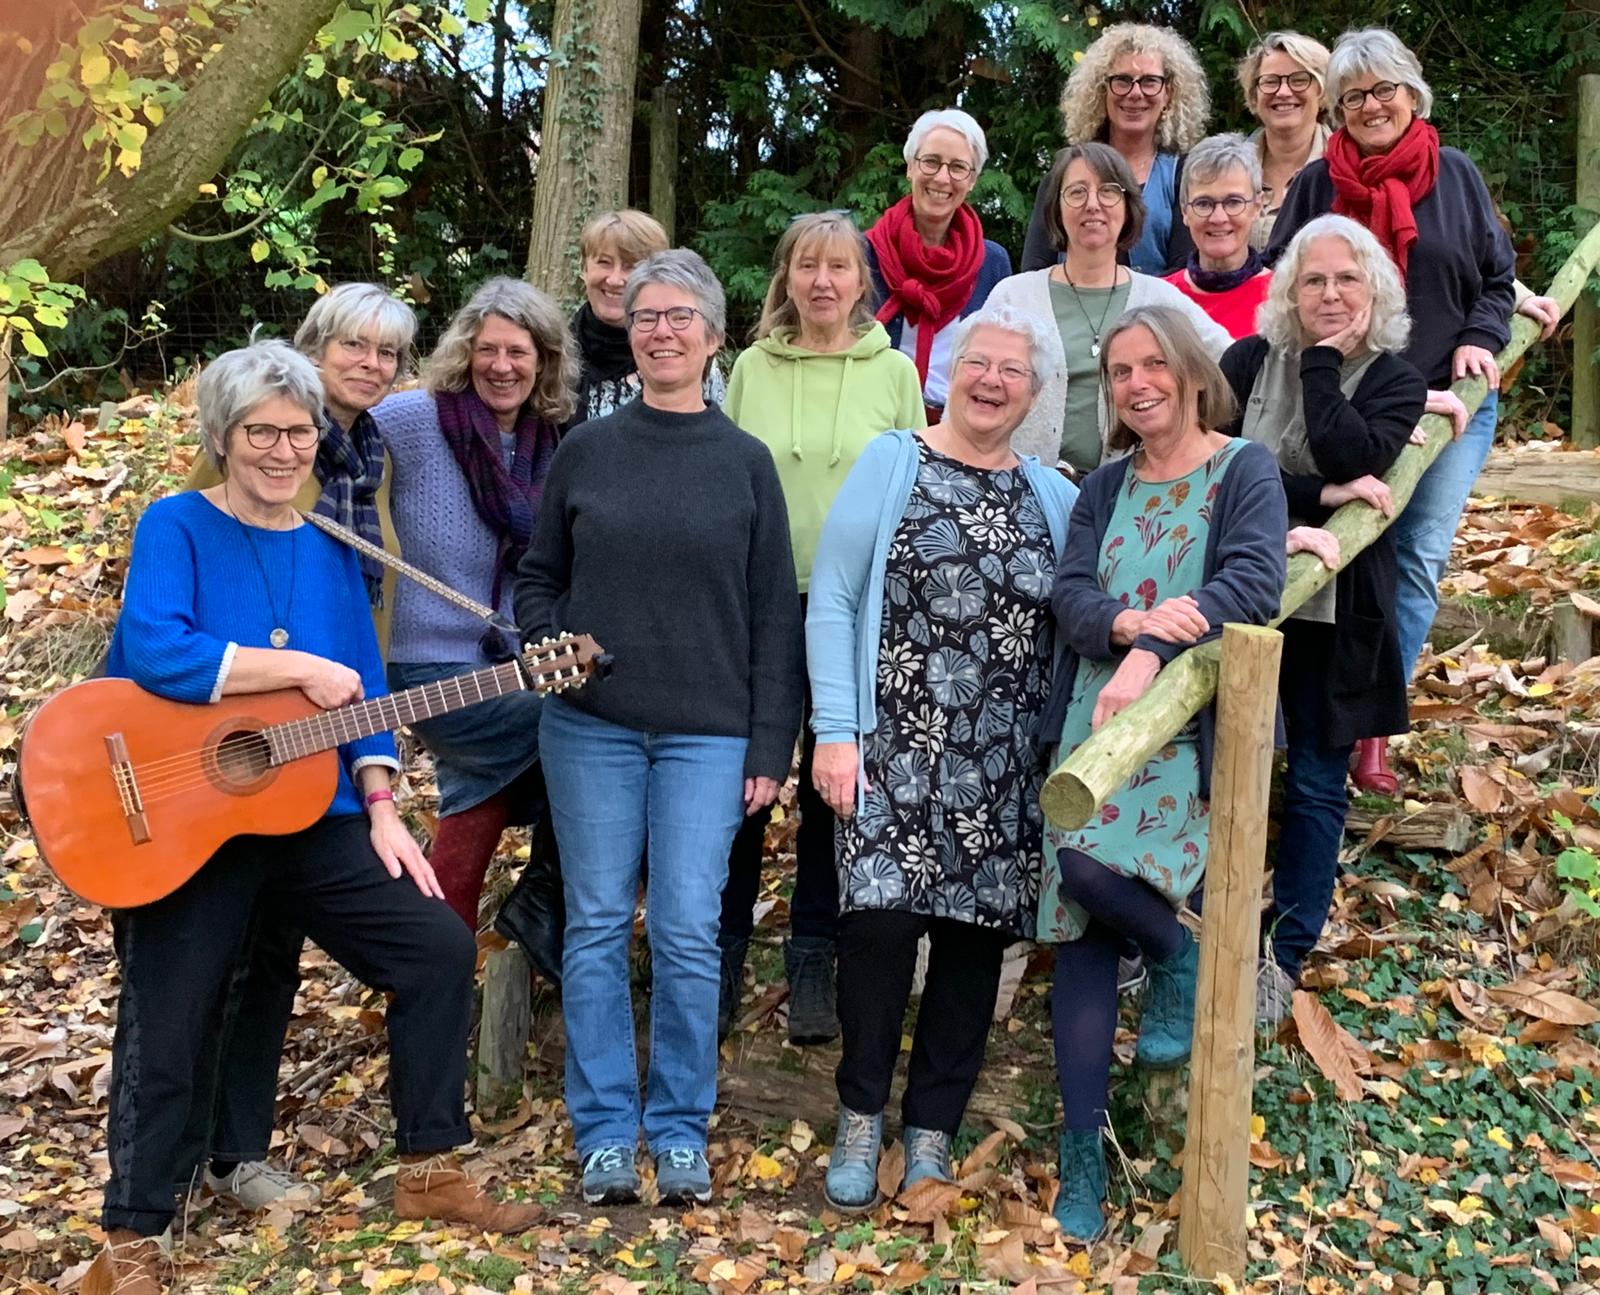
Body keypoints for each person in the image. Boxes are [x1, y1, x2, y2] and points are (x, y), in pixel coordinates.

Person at [85, 341, 539, 1295]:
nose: (284, 451)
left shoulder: (333, 546)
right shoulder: (176, 525)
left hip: (310, 812)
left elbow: (362, 686)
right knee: (170, 1012)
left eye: (299, 434)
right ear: (223, 435)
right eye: (263, 432)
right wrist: (291, 667)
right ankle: (133, 1234)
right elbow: (157, 648)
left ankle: (430, 1167)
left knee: (435, 948)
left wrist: (380, 801)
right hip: (185, 816)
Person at [515, 250, 803, 1207]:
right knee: (596, 922)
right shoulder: (586, 451)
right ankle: (605, 1129)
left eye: (682, 316)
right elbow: (538, 577)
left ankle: (679, 1125)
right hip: (589, 728)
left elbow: (775, 616)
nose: (663, 331)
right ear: (628, 333)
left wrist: (769, 745)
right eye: (647, 316)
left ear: (715, 337)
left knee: (685, 927)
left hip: (707, 736)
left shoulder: (746, 463)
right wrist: (546, 638)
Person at [806, 305, 1078, 1212]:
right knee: (878, 933)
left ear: (1034, 395)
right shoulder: (895, 461)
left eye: (1011, 371)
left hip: (1002, 764)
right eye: (977, 363)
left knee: (972, 950)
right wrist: (835, 731)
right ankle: (859, 1117)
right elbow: (834, 596)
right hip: (891, 749)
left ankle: (931, 1134)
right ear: (949, 373)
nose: (991, 381)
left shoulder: (1054, 495)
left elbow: (1100, 596)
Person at [1039, 307, 1287, 1242]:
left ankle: (1176, 959)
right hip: (1092, 721)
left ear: (1189, 372)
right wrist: (1127, 627)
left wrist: (1153, 652)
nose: (1136, 383)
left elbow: (1252, 582)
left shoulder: (1243, 470)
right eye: (1119, 371)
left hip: (1188, 737)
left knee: (1087, 874)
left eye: (1152, 365)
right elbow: (1070, 595)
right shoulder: (1104, 485)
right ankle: (1084, 1154)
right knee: (1081, 920)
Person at [1265, 26, 1558, 793]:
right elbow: (1282, 287)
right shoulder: (1317, 188)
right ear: (1337, 108)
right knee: (1348, 552)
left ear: (1412, 93)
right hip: (1346, 402)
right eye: (1354, 96)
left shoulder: (1455, 175)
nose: (1371, 106)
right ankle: (1312, 722)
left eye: (1384, 90)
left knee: (1419, 554)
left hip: (1448, 404)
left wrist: (1480, 340)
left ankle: (1372, 732)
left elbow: (1496, 278)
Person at [180, 284, 417, 1214]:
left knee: (271, 957)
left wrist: (374, 771)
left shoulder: (370, 455)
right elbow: (187, 617)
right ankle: (178, 1161)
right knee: (208, 968)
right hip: (218, 750)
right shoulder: (241, 469)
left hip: (315, 752)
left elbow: (354, 630)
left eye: (387, 352)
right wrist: (301, 673)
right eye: (352, 345)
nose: (371, 364)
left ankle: (234, 1152)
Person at [717, 212, 926, 1044]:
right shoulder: (751, 368)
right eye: (807, 265)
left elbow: (912, 485)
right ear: (787, 278)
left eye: (839, 266)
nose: (823, 281)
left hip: (856, 609)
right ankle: (721, 952)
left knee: (831, 785)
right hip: (761, 601)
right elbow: (730, 480)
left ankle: (813, 953)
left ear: (862, 281)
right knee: (747, 777)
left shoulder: (894, 371)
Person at [1221, 215, 1427, 1023]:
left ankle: (1284, 952)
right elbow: (1218, 468)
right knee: (1215, 768)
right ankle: (1196, 934)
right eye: (1314, 280)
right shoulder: (1246, 362)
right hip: (1241, 593)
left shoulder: (1396, 381)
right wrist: (1316, 496)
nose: (1331, 294)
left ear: (1375, 289)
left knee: (1312, 781)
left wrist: (1319, 364)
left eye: (1347, 279)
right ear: (1289, 291)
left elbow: (1352, 454)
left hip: (1337, 614)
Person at [371, 279, 576, 958]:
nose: (501, 366)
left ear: (544, 360)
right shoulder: (415, 420)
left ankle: (435, 961)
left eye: (518, 352)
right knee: (580, 727)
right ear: (465, 352)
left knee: (483, 788)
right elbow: (325, 434)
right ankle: (544, 899)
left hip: (507, 662)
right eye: (487, 349)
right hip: (425, 663)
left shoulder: (552, 442)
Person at [987, 142, 1233, 477]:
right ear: (1056, 209)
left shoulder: (1161, 298)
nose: (1092, 204)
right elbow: (969, 390)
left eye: (1108, 191)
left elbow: (1230, 364)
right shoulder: (1014, 297)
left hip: (1134, 493)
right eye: (1077, 192)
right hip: (1022, 488)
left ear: (1128, 206)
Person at [1022, 23, 1210, 276]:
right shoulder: (1066, 174)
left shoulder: (1185, 175)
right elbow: (1033, 273)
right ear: (1101, 91)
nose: (1135, 93)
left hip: (1159, 302)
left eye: (1150, 81)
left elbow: (1186, 270)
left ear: (1169, 94)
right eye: (1122, 80)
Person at [865, 109, 1013, 423]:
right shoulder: (864, 254)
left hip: (959, 429)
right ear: (910, 167)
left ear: (972, 180)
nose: (942, 178)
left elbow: (1002, 358)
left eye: (958, 167)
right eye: (931, 162)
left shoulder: (992, 263)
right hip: (872, 420)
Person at [565, 208, 725, 429]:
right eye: (604, 262)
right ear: (584, 269)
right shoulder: (557, 353)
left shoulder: (687, 358)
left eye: (630, 266)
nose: (614, 279)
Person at [1163, 133, 1271, 339]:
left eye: (1233, 202)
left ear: (1257, 206)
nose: (1218, 218)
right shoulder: (1160, 297)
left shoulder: (1284, 298)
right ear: (1185, 211)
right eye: (1203, 203)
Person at [1236, 31, 1333, 250]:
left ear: (1322, 91)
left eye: (1299, 80)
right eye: (1270, 82)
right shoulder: (1229, 168)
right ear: (1254, 95)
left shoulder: (1344, 167)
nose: (1283, 92)